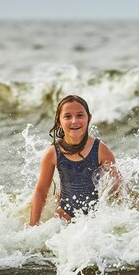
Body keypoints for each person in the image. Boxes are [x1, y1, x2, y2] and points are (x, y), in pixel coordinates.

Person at [29, 95, 121, 224]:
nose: (74, 121)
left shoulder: (100, 150)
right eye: (67, 116)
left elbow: (117, 187)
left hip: (93, 221)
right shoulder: (53, 152)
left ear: (89, 118)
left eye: (80, 115)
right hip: (63, 218)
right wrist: (33, 224)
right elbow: (41, 190)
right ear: (58, 121)